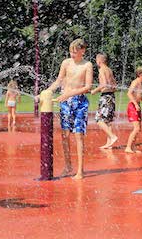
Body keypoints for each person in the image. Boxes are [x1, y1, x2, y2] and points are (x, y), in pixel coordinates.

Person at [46, 38, 93, 180]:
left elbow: (88, 87)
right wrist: (48, 91)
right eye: (70, 51)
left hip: (79, 102)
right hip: (66, 102)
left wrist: (69, 94)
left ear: (82, 51)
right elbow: (59, 80)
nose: (72, 54)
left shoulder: (87, 65)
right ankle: (68, 166)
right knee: (65, 135)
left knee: (78, 135)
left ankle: (80, 170)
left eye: (75, 52)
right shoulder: (66, 63)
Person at [91, 53, 118, 149]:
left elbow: (104, 84)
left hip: (106, 97)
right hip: (111, 96)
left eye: (96, 60)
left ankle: (113, 136)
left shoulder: (101, 70)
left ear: (99, 61)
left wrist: (94, 91)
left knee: (99, 119)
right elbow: (115, 85)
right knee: (108, 121)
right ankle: (109, 143)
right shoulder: (109, 70)